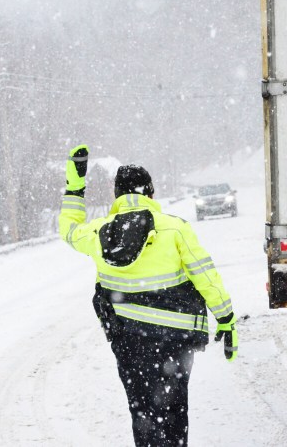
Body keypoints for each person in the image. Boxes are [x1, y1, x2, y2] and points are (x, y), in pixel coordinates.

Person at [58, 144, 238, 447]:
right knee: (175, 410)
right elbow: (206, 276)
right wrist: (226, 318)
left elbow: (68, 230)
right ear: (150, 193)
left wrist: (75, 188)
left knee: (141, 410)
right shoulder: (175, 228)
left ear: (117, 195)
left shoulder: (100, 233)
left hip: (129, 341)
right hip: (175, 342)